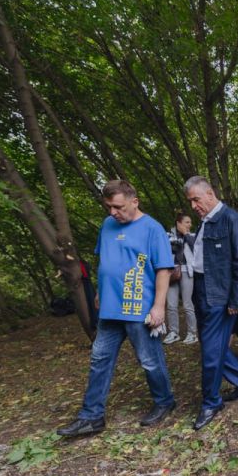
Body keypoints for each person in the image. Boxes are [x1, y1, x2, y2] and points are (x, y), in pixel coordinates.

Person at [57, 180, 176, 436]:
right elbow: (106, 261)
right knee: (99, 360)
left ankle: (164, 401)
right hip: (110, 309)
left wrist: (159, 306)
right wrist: (100, 292)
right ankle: (92, 417)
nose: (113, 212)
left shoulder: (152, 229)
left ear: (135, 201)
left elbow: (163, 269)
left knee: (149, 361)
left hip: (139, 308)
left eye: (118, 207)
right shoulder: (108, 225)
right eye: (109, 207)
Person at [185, 176, 238, 430]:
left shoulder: (232, 220)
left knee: (210, 351)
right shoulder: (205, 221)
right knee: (213, 345)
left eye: (196, 199)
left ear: (210, 194)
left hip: (220, 295)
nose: (193, 205)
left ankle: (211, 402)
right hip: (202, 290)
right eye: (191, 201)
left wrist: (236, 300)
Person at [164, 213, 198, 344]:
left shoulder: (193, 236)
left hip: (186, 272)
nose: (189, 225)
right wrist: (176, 238)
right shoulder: (167, 236)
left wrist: (186, 235)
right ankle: (173, 332)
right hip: (172, 272)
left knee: (187, 304)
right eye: (187, 222)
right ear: (178, 223)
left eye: (190, 222)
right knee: (171, 304)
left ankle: (192, 333)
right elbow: (168, 248)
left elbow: (196, 248)